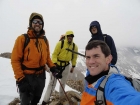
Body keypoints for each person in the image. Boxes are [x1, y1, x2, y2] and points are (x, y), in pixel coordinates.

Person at [11, 12, 59, 105]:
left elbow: (47, 58)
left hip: (41, 77)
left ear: (42, 25)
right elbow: (15, 60)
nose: (37, 24)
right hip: (26, 77)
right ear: (30, 23)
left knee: (36, 101)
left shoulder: (45, 40)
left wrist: (53, 68)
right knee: (25, 102)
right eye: (35, 21)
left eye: (40, 22)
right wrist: (20, 79)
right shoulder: (22, 39)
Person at [80, 40, 140, 105]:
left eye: (96, 56)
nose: (91, 61)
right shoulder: (91, 78)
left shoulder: (114, 83)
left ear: (108, 59)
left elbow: (128, 99)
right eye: (88, 57)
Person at [42, 31, 78, 105]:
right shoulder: (60, 44)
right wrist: (54, 65)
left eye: (72, 36)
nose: (70, 37)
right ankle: (45, 101)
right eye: (69, 35)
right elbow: (54, 54)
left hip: (66, 66)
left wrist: (73, 66)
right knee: (52, 83)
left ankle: (61, 99)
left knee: (63, 82)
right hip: (57, 65)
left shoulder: (74, 47)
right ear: (66, 36)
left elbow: (74, 57)